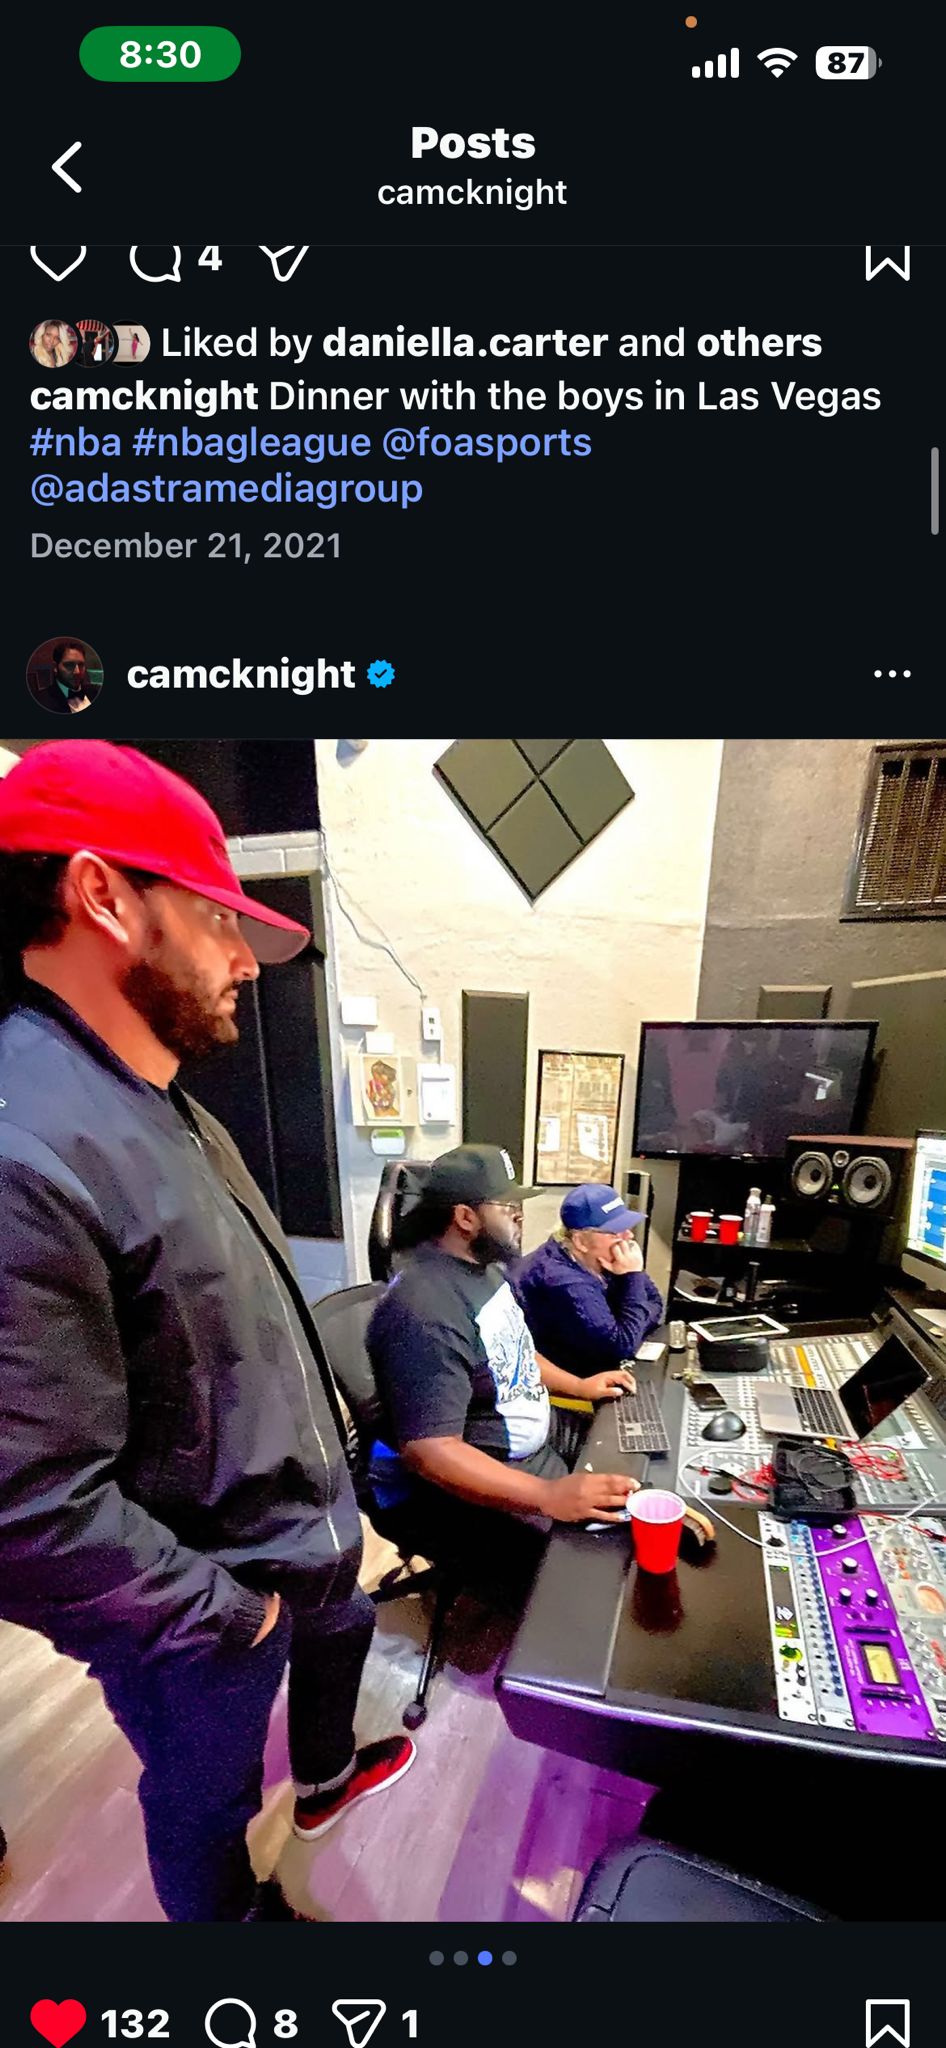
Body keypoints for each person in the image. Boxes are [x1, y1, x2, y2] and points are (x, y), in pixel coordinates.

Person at [0, 741, 414, 1924]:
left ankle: (323, 1777)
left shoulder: (172, 1110)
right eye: (217, 918)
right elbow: (25, 1512)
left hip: (296, 1549)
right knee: (204, 1798)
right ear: (101, 893)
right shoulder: (25, 1148)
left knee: (341, 1633)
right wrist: (233, 1616)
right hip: (207, 1615)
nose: (244, 959)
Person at [366, 1144, 638, 1584]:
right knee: (603, 1573)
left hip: (537, 1448)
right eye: (508, 1207)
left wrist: (580, 1385)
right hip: (487, 1482)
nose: (519, 1217)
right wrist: (548, 1495)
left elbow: (514, 1351)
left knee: (637, 1471)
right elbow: (431, 1452)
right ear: (465, 1217)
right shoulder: (424, 1309)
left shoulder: (486, 1270)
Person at [512, 1183, 665, 1378]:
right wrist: (632, 1277)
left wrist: (631, 1278)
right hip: (558, 1386)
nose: (629, 1236)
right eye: (615, 1232)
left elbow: (655, 1303)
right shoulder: (562, 1279)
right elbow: (620, 1346)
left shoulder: (599, 1257)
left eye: (627, 1227)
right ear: (580, 1241)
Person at [29, 640, 102, 716]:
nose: (77, 672)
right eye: (69, 665)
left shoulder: (94, 692)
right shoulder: (40, 701)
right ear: (55, 667)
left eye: (81, 665)